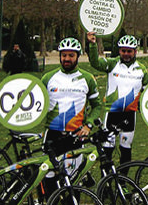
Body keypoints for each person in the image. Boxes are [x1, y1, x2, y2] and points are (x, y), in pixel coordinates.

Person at [41, 37, 103, 198]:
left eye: (71, 55)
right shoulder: (48, 78)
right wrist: (4, 111)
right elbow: (30, 102)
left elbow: (97, 106)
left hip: (75, 136)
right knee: (49, 177)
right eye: (64, 55)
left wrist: (88, 125)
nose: (67, 59)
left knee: (73, 181)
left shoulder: (87, 78)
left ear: (78, 56)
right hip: (52, 134)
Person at [86, 32, 148, 166]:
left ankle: (123, 182)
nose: (126, 53)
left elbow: (147, 89)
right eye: (123, 50)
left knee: (125, 148)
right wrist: (92, 44)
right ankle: (107, 182)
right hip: (112, 113)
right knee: (108, 149)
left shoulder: (142, 69)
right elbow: (95, 63)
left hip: (129, 114)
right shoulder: (112, 63)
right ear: (119, 50)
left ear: (135, 51)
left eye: (129, 51)